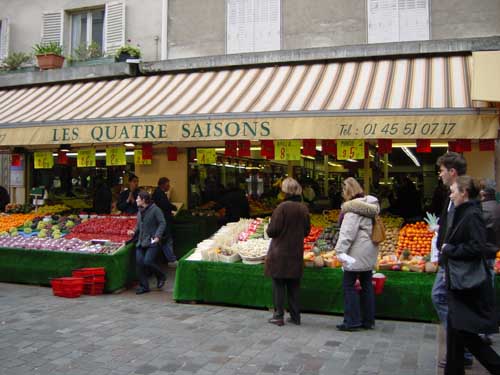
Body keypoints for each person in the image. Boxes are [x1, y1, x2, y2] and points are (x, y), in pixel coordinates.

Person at [439, 176, 500, 375]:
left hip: (466, 283)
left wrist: (450, 249)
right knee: (456, 333)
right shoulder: (463, 211)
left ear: (464, 192)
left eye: (454, 191)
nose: (451, 194)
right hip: (459, 281)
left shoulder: (472, 214)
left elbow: (477, 246)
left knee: (464, 333)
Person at [431, 152, 473, 368]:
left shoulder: (462, 197)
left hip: (453, 259)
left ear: (452, 172)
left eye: (442, 170)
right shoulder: (452, 196)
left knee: (441, 297)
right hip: (448, 257)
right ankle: (462, 347)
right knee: (444, 299)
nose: (440, 174)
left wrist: (447, 248)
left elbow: (467, 233)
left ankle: (463, 346)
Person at [335, 177, 380, 331]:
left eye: (343, 190)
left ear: (348, 191)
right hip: (369, 251)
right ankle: (368, 321)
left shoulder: (352, 209)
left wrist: (340, 252)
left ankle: (352, 321)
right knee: (367, 285)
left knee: (349, 285)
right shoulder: (369, 205)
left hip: (355, 253)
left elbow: (347, 234)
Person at [265, 177, 311, 326]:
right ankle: (295, 316)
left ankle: (278, 316)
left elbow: (273, 231)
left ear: (285, 191)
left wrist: (268, 227)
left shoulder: (282, 208)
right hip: (295, 250)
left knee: (278, 283)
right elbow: (306, 231)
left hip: (280, 251)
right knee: (294, 285)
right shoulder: (303, 208)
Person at [127, 191, 166, 295]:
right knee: (139, 263)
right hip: (141, 241)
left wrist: (158, 235)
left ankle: (161, 276)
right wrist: (133, 231)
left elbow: (162, 223)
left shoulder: (156, 210)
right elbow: (139, 225)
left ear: (143, 200)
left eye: (138, 199)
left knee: (148, 261)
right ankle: (144, 286)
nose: (136, 200)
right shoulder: (140, 211)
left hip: (152, 240)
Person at [152, 177, 178, 265]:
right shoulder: (159, 193)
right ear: (163, 185)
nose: (169, 186)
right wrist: (173, 207)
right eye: (167, 184)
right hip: (164, 220)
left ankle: (166, 259)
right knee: (167, 239)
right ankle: (171, 260)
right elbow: (165, 205)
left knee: (164, 239)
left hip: (163, 218)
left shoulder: (158, 192)